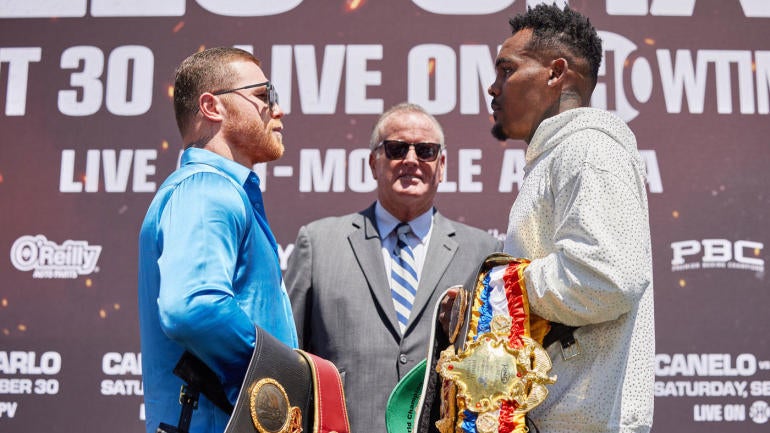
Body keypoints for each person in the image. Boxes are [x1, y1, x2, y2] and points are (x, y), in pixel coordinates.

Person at [487, 4, 655, 433]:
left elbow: (606, 278)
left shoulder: (590, 151)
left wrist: (500, 288)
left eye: (507, 70)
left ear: (556, 73)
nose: (493, 87)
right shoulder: (561, 154)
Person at [285, 102, 501, 433]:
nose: (411, 160)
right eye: (397, 148)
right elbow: (290, 356)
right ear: (374, 162)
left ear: (441, 166)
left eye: (426, 151)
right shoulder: (318, 243)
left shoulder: (483, 252)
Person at [137, 47, 297, 433]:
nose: (278, 110)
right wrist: (287, 381)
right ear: (212, 107)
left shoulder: (218, 191)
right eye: (263, 96)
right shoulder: (207, 188)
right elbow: (193, 308)